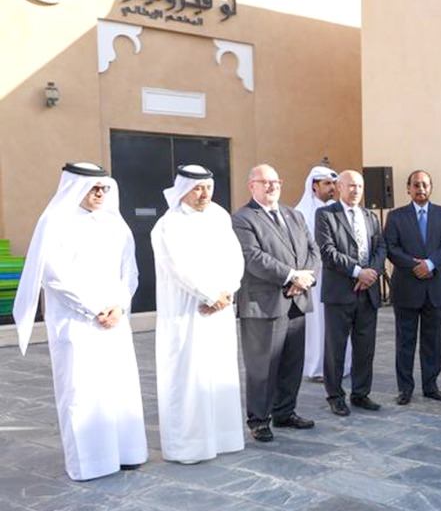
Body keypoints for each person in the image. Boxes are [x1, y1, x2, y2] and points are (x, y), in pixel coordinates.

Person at [13, 162, 147, 480]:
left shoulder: (117, 225)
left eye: (103, 188)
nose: (100, 193)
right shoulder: (55, 222)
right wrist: (93, 309)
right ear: (75, 187)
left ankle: (126, 453)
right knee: (82, 392)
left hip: (115, 320)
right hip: (77, 323)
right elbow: (54, 276)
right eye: (93, 188)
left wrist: (120, 306)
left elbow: (130, 272)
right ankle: (90, 462)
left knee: (118, 389)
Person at [150, 165, 245, 464]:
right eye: (197, 188)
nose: (204, 194)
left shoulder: (219, 216)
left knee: (219, 374)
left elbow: (235, 256)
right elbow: (178, 267)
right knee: (188, 377)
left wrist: (228, 291)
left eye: (207, 187)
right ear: (182, 189)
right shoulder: (169, 224)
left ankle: (223, 438)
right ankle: (188, 446)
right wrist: (209, 295)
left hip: (220, 309)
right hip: (187, 311)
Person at [232, 164, 321, 442]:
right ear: (252, 186)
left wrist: (305, 278)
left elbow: (313, 250)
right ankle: (259, 419)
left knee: (292, 363)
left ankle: (285, 411)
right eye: (265, 182)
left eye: (276, 181)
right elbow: (253, 257)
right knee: (263, 367)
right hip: (264, 303)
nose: (272, 186)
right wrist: (291, 276)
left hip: (297, 300)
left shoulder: (294, 215)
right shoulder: (243, 218)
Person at [315, 170, 386, 416]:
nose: (355, 190)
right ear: (339, 187)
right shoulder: (325, 215)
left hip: (368, 292)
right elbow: (328, 251)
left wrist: (371, 274)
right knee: (336, 348)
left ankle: (361, 393)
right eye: (350, 186)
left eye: (359, 186)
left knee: (365, 346)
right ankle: (335, 396)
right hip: (340, 293)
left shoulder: (370, 216)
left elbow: (380, 247)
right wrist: (358, 272)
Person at [384, 170, 441, 404]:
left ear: (431, 188)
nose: (421, 188)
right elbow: (391, 247)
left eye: (425, 184)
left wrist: (431, 263)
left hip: (434, 287)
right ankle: (405, 389)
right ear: (408, 189)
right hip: (407, 286)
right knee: (405, 340)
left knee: (432, 340)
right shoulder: (396, 216)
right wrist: (414, 265)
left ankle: (431, 385)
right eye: (416, 185)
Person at [294, 165, 347, 381]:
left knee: (339, 323)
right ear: (314, 186)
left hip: (339, 275)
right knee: (316, 324)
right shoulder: (301, 213)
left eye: (334, 184)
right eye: (327, 184)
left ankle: (341, 366)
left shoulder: (340, 209)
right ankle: (317, 368)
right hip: (314, 276)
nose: (332, 188)